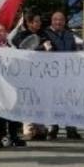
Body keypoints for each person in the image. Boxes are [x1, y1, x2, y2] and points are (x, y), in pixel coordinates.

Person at [0, 20, 26, 147]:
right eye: (0, 30)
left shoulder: (9, 44)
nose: (3, 33)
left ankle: (14, 135)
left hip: (10, 84)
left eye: (4, 30)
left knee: (13, 109)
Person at [42, 11, 82, 140]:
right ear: (51, 21)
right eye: (55, 20)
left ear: (64, 22)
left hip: (68, 74)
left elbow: (75, 52)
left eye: (61, 20)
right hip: (51, 74)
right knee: (53, 101)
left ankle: (71, 128)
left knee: (69, 101)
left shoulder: (70, 35)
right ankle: (53, 128)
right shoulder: (45, 34)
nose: (58, 22)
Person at [12, 11, 48, 141]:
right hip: (26, 75)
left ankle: (40, 127)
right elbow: (22, 51)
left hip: (41, 75)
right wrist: (42, 48)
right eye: (36, 21)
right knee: (28, 100)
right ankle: (29, 128)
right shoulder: (20, 36)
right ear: (29, 23)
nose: (39, 23)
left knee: (40, 100)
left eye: (39, 21)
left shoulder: (44, 35)